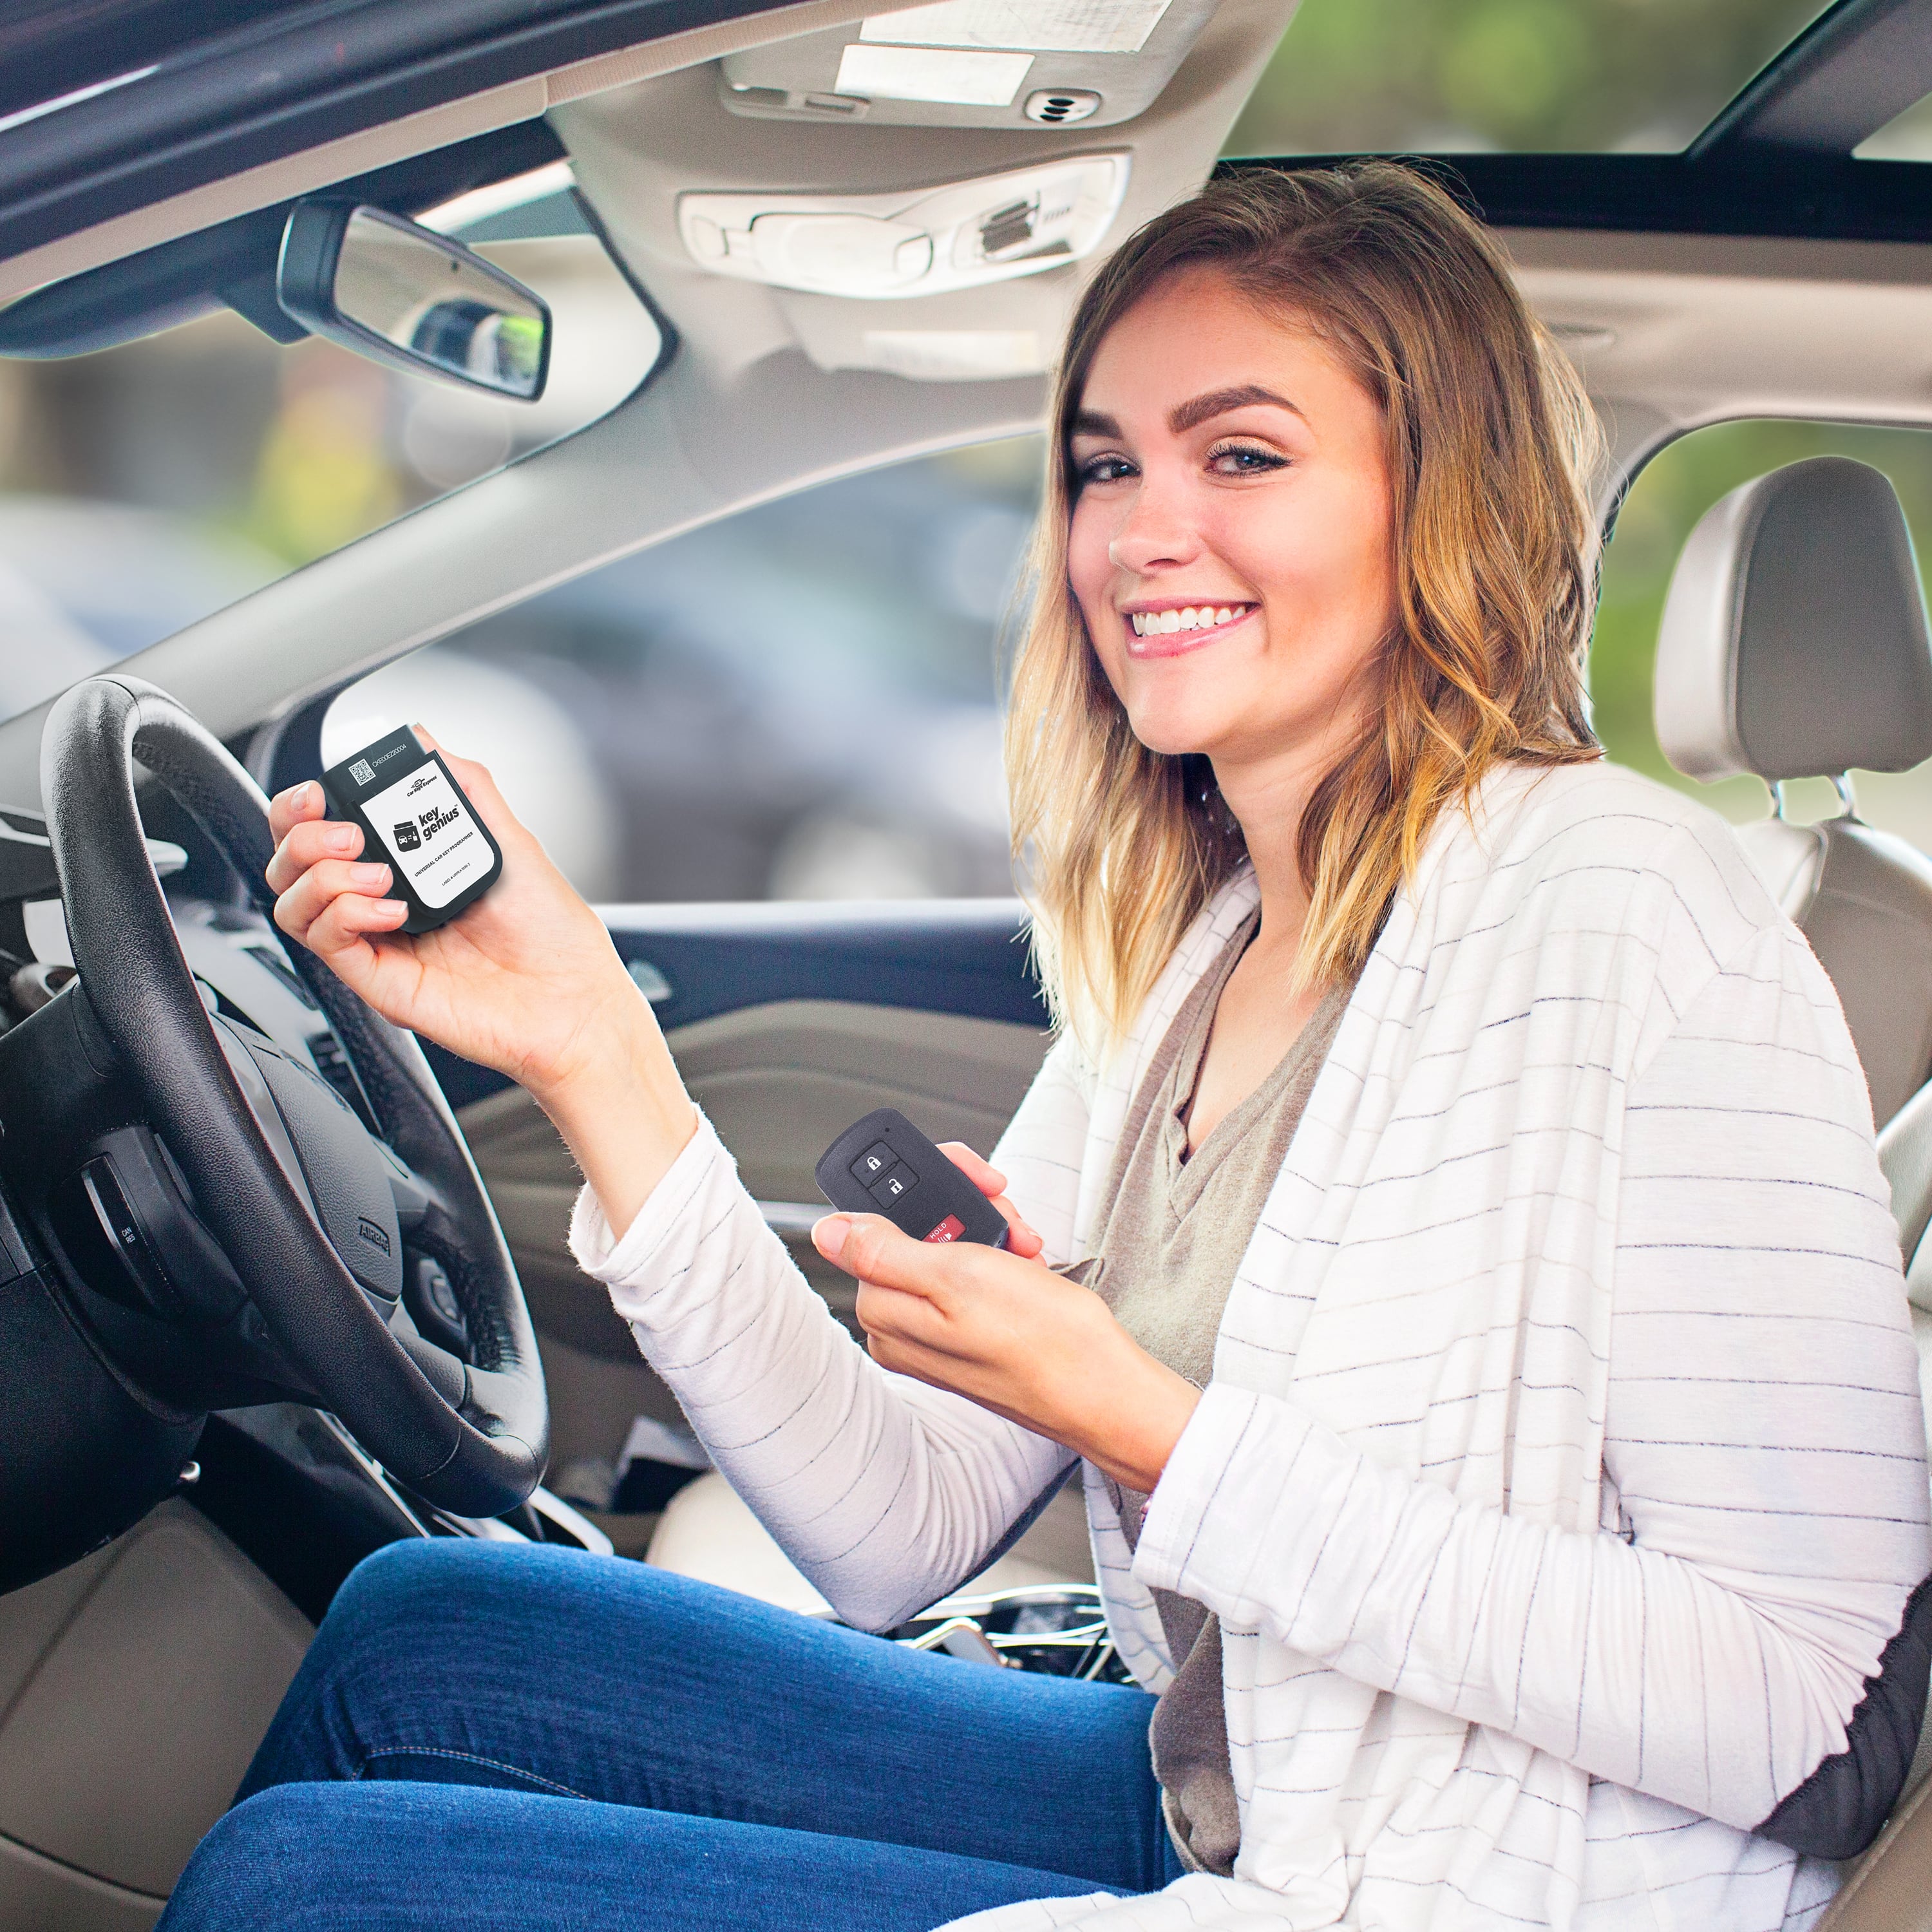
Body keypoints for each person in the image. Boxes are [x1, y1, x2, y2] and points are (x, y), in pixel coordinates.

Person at [159, 163, 1930, 1932]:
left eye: (1242, 456)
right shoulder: (1204, 945)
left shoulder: (1638, 914)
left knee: (297, 1889)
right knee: (428, 1628)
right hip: (1254, 1784)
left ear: (1436, 502)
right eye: (1105, 465)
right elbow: (899, 1526)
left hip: (1475, 1882)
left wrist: (1151, 1427)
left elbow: (1815, 1720)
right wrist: (590, 1046)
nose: (1142, 532)